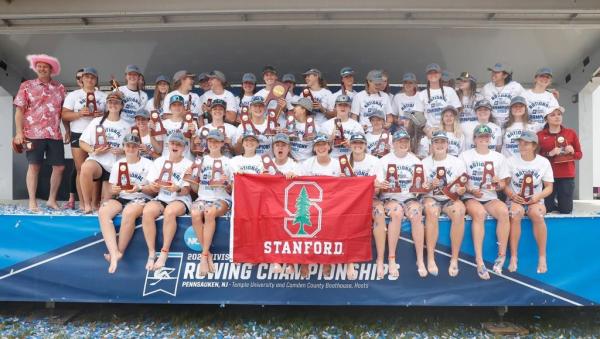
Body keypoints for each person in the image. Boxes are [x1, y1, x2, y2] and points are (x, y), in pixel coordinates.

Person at [13, 54, 67, 212]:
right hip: (32, 133)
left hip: (54, 134)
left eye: (46, 66)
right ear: (36, 68)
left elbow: (63, 112)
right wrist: (18, 132)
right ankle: (32, 202)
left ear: (51, 70)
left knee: (60, 167)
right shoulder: (27, 85)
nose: (42, 68)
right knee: (34, 166)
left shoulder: (60, 87)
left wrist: (67, 130)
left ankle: (51, 200)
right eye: (39, 66)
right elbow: (19, 111)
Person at [459, 124, 510, 279]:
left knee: (504, 212)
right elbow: (460, 181)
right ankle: (479, 260)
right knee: (479, 214)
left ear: (490, 138)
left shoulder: (498, 157)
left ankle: (501, 256)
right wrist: (470, 189)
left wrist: (499, 182)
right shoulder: (465, 156)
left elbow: (503, 184)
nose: (483, 139)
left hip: (490, 196)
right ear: (474, 139)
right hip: (472, 196)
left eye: (486, 136)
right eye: (480, 136)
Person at [98, 133, 153, 273]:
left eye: (134, 146)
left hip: (141, 197)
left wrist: (140, 187)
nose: (130, 148)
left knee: (129, 212)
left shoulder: (148, 164)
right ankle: (113, 251)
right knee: (103, 211)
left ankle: (118, 252)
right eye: (128, 145)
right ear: (124, 147)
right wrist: (114, 189)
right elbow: (112, 190)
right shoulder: (118, 164)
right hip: (122, 197)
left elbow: (154, 190)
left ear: (138, 147)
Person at [378, 128, 426, 278]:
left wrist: (422, 188)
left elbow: (420, 186)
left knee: (417, 214)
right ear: (393, 143)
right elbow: (378, 185)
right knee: (397, 213)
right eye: (400, 141)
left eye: (406, 141)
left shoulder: (415, 161)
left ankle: (420, 259)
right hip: (390, 198)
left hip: (410, 198)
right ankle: (391, 258)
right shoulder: (384, 160)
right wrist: (382, 185)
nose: (403, 143)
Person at [142, 131, 193, 271]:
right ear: (168, 145)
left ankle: (164, 252)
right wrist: (153, 186)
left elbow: (187, 190)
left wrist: (176, 189)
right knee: (147, 211)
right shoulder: (159, 161)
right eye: (172, 143)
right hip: (162, 197)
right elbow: (151, 188)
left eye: (178, 144)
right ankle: (151, 253)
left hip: (180, 198)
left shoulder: (189, 164)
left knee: (170, 212)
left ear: (184, 147)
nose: (175, 146)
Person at [504, 130, 553, 274]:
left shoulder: (543, 162)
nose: (522, 145)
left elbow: (549, 187)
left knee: (537, 214)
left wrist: (537, 197)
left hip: (535, 200)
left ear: (534, 145)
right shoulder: (511, 160)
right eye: (520, 142)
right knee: (515, 213)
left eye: (526, 143)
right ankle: (513, 256)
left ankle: (542, 257)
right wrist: (512, 195)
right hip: (516, 199)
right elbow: (504, 184)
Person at [422, 130, 467, 277]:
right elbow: (420, 189)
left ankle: (454, 259)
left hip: (450, 198)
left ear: (447, 144)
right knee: (431, 211)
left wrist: (461, 190)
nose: (440, 145)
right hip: (432, 198)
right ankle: (430, 258)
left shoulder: (458, 162)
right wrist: (428, 185)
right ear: (431, 144)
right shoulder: (423, 163)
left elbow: (463, 186)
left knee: (460, 211)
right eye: (436, 142)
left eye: (443, 142)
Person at [62, 67, 107, 211]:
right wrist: (79, 114)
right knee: (81, 169)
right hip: (78, 134)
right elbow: (64, 115)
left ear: (96, 80)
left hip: (98, 136)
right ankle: (83, 203)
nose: (89, 80)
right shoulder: (73, 95)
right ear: (82, 79)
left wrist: (102, 115)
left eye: (92, 77)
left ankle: (94, 204)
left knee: (97, 170)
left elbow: (111, 115)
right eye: (87, 77)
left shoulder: (103, 95)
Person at [188, 129, 233, 276]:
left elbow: (233, 190)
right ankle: (207, 253)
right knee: (195, 213)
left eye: (216, 141)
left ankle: (204, 256)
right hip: (202, 197)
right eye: (210, 141)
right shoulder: (200, 161)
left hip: (222, 199)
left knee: (209, 212)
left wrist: (226, 184)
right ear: (207, 143)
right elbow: (195, 188)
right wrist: (191, 180)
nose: (213, 143)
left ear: (222, 143)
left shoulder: (229, 162)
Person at [78, 91, 130, 213]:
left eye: (117, 102)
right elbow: (82, 142)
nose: (113, 105)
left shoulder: (127, 126)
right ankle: (87, 204)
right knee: (86, 167)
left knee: (105, 206)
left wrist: (122, 151)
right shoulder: (97, 121)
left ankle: (102, 203)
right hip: (98, 162)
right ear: (107, 104)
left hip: (115, 167)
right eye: (110, 102)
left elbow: (132, 148)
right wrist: (94, 150)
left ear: (122, 105)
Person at [346, 133, 388, 279]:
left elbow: (378, 188)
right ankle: (350, 260)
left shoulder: (374, 161)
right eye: (355, 143)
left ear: (365, 145)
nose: (358, 145)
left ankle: (380, 259)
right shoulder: (343, 161)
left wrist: (373, 186)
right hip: (350, 201)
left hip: (371, 198)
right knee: (347, 219)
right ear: (350, 145)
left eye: (361, 143)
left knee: (380, 213)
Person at [299, 133, 341, 277]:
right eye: (318, 145)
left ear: (329, 146)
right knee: (304, 222)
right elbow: (299, 184)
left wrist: (344, 179)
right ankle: (304, 260)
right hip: (312, 202)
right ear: (314, 148)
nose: (321, 147)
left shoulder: (338, 163)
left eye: (324, 144)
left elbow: (348, 185)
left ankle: (326, 259)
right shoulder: (307, 164)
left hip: (332, 203)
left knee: (330, 222)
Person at [537, 106, 582, 214]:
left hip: (566, 175)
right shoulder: (540, 135)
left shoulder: (570, 133)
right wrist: (549, 154)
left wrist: (572, 152)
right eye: (552, 115)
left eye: (559, 114)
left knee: (566, 210)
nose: (557, 117)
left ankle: (561, 203)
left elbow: (579, 155)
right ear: (546, 119)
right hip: (547, 177)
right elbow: (535, 157)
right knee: (547, 209)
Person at [418, 63, 461, 133]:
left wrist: (453, 128)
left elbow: (457, 110)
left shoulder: (450, 90)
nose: (433, 75)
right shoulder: (421, 94)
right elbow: (416, 115)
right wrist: (427, 131)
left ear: (440, 75)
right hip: (431, 131)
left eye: (435, 72)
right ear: (427, 76)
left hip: (448, 130)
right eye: (430, 73)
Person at [523, 67, 559, 132]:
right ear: (535, 79)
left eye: (547, 77)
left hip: (546, 133)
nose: (544, 78)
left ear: (550, 82)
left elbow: (555, 116)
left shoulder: (551, 97)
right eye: (542, 76)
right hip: (528, 132)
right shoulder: (525, 94)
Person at [159, 95, 195, 160]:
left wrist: (193, 134)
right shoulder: (163, 124)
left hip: (186, 160)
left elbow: (194, 148)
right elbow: (159, 148)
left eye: (179, 105)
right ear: (170, 108)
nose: (177, 107)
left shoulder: (191, 123)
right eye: (174, 105)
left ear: (184, 107)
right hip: (167, 159)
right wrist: (151, 134)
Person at [286, 97, 316, 162]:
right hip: (292, 161)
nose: (294, 108)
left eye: (296, 106)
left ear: (303, 109)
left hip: (308, 162)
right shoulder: (290, 124)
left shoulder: (315, 126)